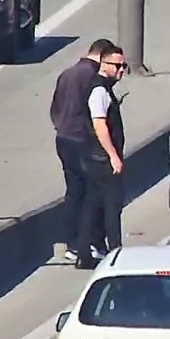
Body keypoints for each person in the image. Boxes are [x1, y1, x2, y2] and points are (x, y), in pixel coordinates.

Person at [49, 38, 114, 263]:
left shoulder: (67, 74)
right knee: (91, 194)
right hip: (82, 141)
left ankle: (72, 242)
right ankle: (91, 242)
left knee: (74, 192)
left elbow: (55, 107)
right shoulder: (92, 79)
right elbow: (94, 115)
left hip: (63, 138)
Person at [82, 44, 129, 260]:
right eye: (117, 66)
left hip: (98, 158)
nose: (121, 70)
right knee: (112, 205)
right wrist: (113, 156)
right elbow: (99, 125)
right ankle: (114, 250)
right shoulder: (99, 91)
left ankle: (91, 247)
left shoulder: (104, 88)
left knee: (96, 204)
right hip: (101, 160)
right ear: (104, 64)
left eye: (124, 66)